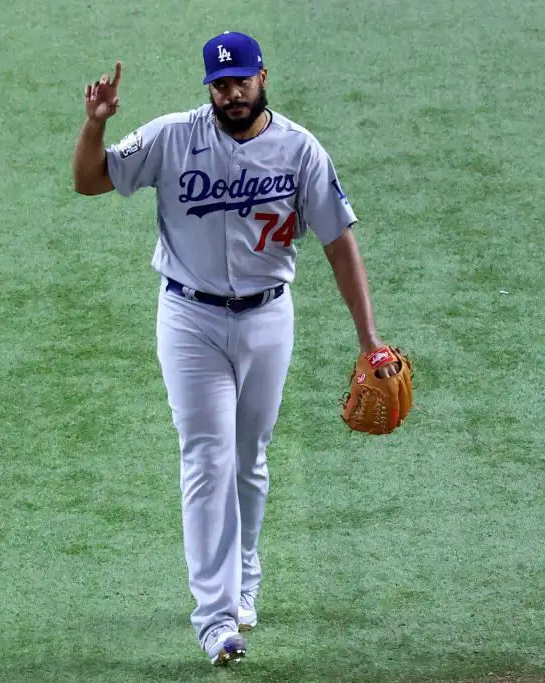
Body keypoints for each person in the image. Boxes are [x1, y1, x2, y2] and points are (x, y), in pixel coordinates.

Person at [71, 31, 399, 666]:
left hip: (267, 320)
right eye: (220, 85)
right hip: (189, 320)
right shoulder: (170, 137)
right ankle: (216, 620)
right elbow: (89, 181)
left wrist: (369, 338)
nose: (232, 94)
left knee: (249, 458)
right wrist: (94, 126)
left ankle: (245, 577)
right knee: (208, 459)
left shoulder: (301, 150)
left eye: (241, 81)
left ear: (263, 77)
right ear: (208, 89)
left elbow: (338, 244)